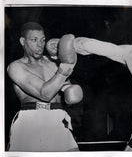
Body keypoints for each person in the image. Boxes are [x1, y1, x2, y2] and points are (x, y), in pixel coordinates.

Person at [7, 22, 82, 151]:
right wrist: (64, 69)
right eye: (34, 40)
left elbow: (68, 94)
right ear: (22, 41)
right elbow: (44, 94)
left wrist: (69, 90)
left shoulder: (54, 63)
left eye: (42, 40)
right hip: (30, 120)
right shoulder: (16, 67)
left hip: (58, 118)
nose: (40, 45)